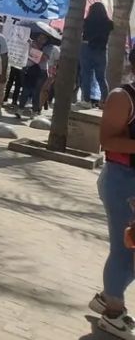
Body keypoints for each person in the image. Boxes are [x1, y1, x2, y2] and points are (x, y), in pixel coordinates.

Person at [89, 48, 135, 338]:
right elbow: (107, 140)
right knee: (126, 249)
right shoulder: (123, 97)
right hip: (123, 180)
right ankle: (113, 312)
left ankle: (109, 294)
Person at [82, 2, 114, 108]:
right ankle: (105, 100)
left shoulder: (86, 22)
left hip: (87, 47)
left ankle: (86, 100)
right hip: (101, 50)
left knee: (86, 75)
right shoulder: (109, 23)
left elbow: (84, 34)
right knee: (101, 77)